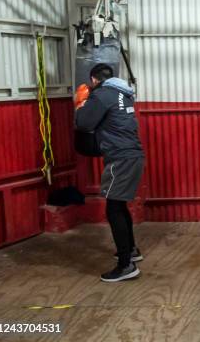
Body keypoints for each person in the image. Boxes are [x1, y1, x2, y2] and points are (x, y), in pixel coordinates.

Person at [75, 64, 145, 282]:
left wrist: (80, 103)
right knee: (119, 204)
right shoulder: (123, 94)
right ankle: (131, 250)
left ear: (94, 80)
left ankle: (126, 265)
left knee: (113, 208)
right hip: (132, 155)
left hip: (120, 158)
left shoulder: (102, 94)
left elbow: (84, 123)